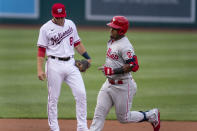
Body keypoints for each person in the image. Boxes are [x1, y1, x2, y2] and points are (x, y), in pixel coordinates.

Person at [89, 16, 160, 131]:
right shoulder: (112, 40)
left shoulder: (125, 46)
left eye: (114, 28)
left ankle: (152, 115)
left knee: (123, 118)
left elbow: (134, 66)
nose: (110, 30)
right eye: (111, 27)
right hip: (108, 84)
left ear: (121, 31)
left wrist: (113, 71)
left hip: (123, 86)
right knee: (99, 113)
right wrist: (109, 68)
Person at [36, 3, 91, 131]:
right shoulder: (45, 28)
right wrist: (39, 69)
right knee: (53, 98)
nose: (60, 19)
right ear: (53, 15)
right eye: (57, 17)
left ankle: (82, 127)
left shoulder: (70, 24)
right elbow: (41, 51)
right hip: (53, 64)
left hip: (71, 63)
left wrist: (88, 57)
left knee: (81, 94)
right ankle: (54, 128)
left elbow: (77, 43)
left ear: (65, 14)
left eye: (62, 17)